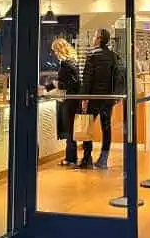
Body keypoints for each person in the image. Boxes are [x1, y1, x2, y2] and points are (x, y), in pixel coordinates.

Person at [80, 28, 122, 169]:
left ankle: (87, 158)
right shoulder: (113, 56)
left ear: (99, 39)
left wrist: (84, 98)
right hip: (108, 98)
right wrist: (115, 95)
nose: (93, 39)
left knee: (86, 127)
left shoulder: (92, 55)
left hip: (93, 97)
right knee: (106, 127)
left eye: (94, 36)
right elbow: (117, 77)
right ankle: (103, 159)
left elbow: (87, 78)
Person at [46, 37, 81, 166]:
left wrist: (58, 84)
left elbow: (71, 83)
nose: (54, 53)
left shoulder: (66, 64)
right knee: (71, 129)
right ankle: (71, 157)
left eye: (55, 50)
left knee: (69, 129)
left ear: (59, 49)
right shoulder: (72, 61)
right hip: (73, 99)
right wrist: (49, 86)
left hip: (69, 99)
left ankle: (71, 158)